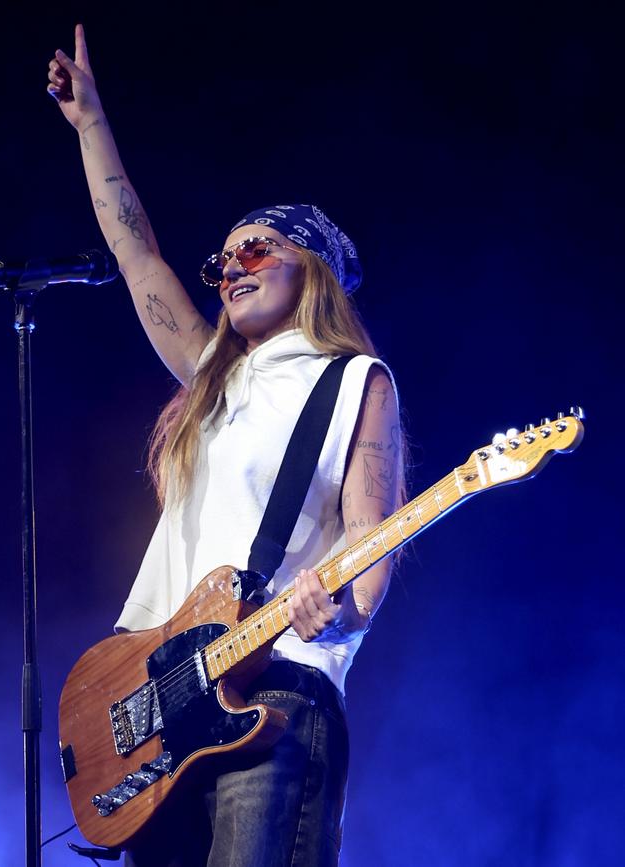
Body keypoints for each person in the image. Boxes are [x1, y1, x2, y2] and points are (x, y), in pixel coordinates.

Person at [48, 24, 404, 867]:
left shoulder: (354, 380)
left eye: (257, 247)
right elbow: (135, 255)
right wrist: (91, 123)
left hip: (277, 690)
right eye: (224, 256)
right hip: (165, 706)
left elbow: (372, 539)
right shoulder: (213, 374)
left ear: (310, 266)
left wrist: (341, 602)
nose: (232, 264)